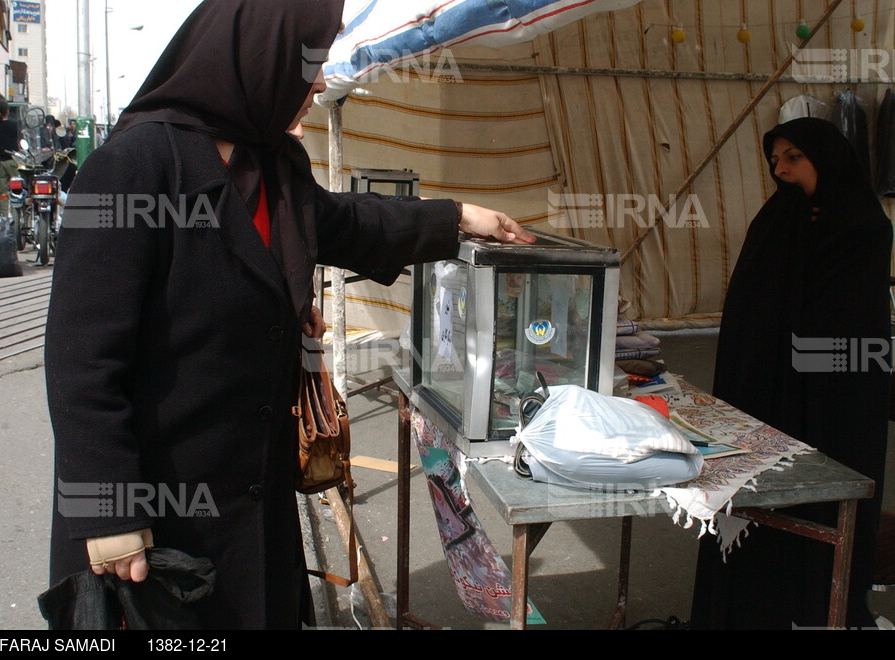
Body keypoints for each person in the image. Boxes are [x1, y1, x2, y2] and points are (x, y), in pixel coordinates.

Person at [45, 0, 534, 630]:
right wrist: (107, 511)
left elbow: (347, 222)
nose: (320, 81)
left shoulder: (275, 165)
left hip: (252, 495)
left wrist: (457, 217)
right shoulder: (131, 169)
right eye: (309, 63)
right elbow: (80, 362)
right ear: (258, 58)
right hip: (155, 511)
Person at [690, 117, 893, 629]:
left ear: (826, 158)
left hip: (832, 398)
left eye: (793, 158)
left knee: (823, 497)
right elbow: (751, 304)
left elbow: (845, 323)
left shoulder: (863, 225)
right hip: (772, 386)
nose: (781, 170)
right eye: (775, 161)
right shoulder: (778, 218)